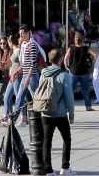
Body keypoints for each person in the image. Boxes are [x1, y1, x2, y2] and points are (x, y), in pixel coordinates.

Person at [34, 48, 75, 176]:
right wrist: (71, 115)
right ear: (61, 60)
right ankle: (65, 167)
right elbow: (69, 97)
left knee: (47, 141)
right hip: (60, 113)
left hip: (45, 112)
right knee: (66, 139)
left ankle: (48, 170)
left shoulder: (43, 74)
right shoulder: (64, 75)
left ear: (50, 60)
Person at [12, 25, 44, 127]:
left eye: (22, 33)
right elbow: (23, 65)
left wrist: (28, 78)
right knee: (19, 98)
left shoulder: (32, 45)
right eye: (20, 34)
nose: (21, 36)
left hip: (32, 77)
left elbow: (32, 64)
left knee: (36, 99)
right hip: (26, 76)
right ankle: (13, 120)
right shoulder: (24, 45)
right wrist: (15, 73)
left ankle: (45, 117)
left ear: (27, 33)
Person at [65, 32, 96, 111]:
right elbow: (95, 54)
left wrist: (67, 66)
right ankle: (88, 106)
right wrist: (92, 63)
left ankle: (68, 107)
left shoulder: (71, 48)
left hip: (73, 70)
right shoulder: (86, 48)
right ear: (83, 40)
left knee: (71, 90)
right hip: (84, 71)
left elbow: (65, 58)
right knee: (85, 89)